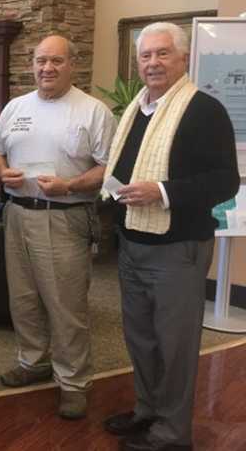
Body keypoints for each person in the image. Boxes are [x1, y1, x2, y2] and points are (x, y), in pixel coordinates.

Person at [101, 23, 239, 451]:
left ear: (183, 58)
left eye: (162, 54)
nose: (153, 63)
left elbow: (225, 181)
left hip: (177, 250)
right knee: (140, 337)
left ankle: (173, 434)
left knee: (176, 345)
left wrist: (160, 193)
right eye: (145, 56)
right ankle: (148, 411)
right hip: (133, 244)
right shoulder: (136, 110)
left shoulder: (204, 110)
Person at [0, 35, 116, 419]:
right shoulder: (15, 107)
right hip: (17, 215)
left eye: (56, 61)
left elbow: (110, 167)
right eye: (41, 61)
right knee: (23, 298)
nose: (47, 68)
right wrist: (0, 172)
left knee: (65, 304)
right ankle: (33, 361)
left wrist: (70, 186)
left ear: (71, 64)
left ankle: (74, 381)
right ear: (33, 63)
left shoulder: (93, 111)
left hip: (64, 217)